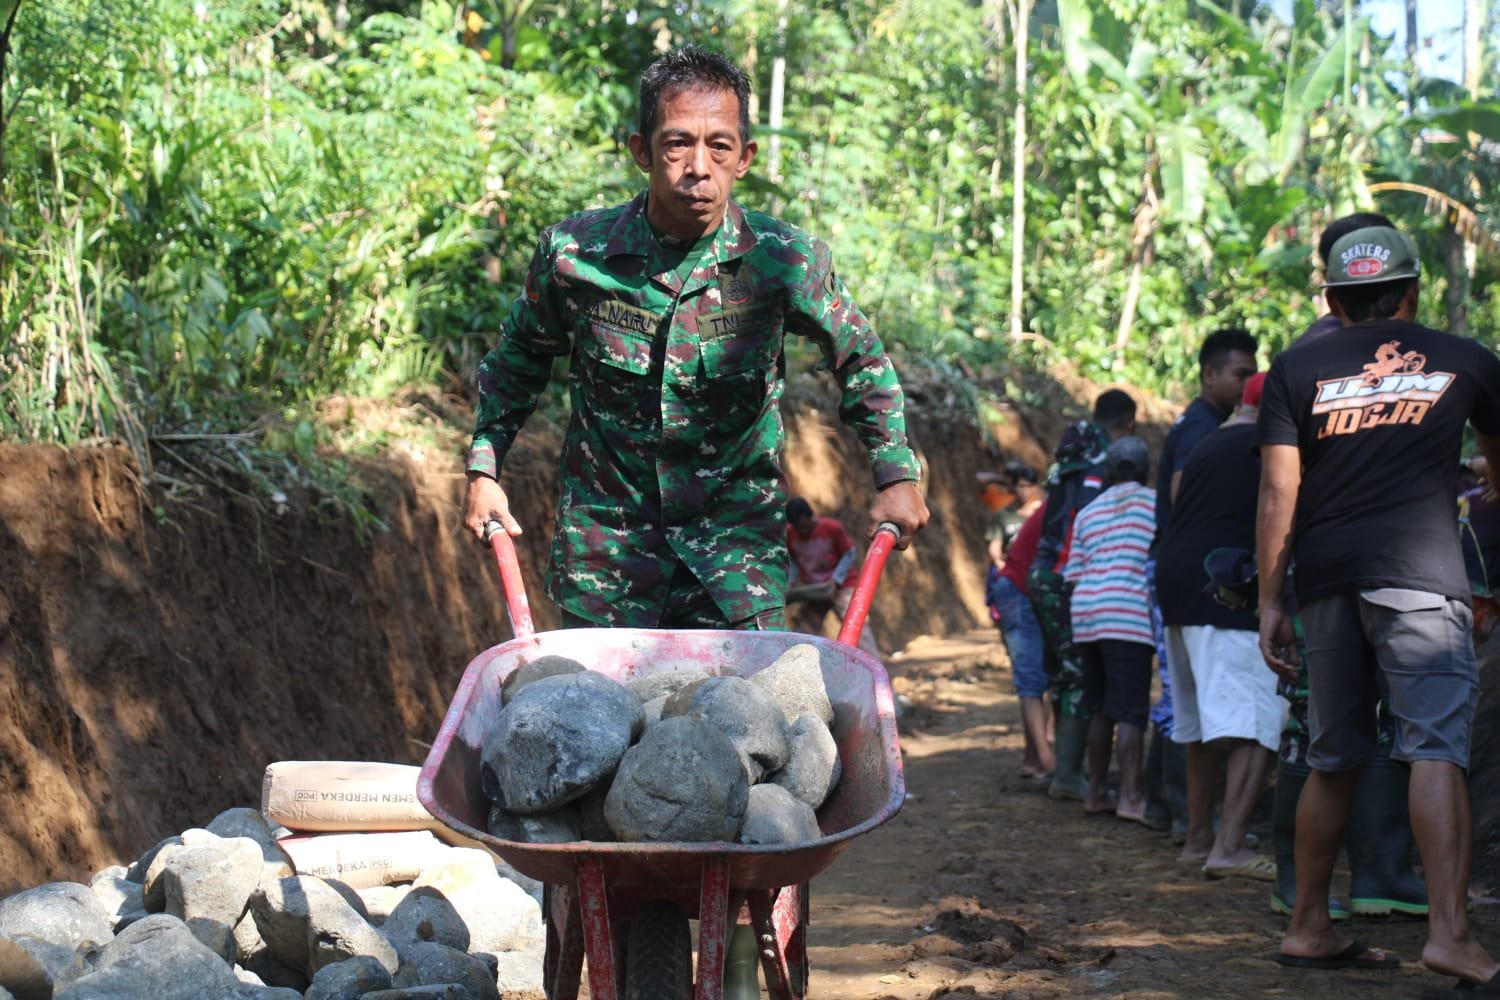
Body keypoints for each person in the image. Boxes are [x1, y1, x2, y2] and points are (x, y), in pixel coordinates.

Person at [461, 46, 928, 628]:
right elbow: (517, 361)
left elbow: (861, 359)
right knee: (588, 718)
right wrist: (484, 472)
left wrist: (898, 478)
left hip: (734, 570)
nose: (698, 167)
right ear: (642, 151)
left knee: (749, 719)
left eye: (719, 146)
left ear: (745, 158)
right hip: (607, 570)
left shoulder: (783, 262)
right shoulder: (577, 256)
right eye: (677, 143)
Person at [1257, 223, 1500, 987]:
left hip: (1325, 583)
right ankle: (1450, 936)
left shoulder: (1295, 368)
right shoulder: (1467, 361)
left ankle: (1306, 927)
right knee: (1434, 748)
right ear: (1414, 291)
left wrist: (1270, 601)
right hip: (1422, 581)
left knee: (1333, 755)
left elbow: (1278, 490)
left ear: (1332, 298)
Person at [1156, 372, 1280, 878]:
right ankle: (1228, 847)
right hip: (1224, 582)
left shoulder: (1206, 442)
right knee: (1257, 720)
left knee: (1199, 723)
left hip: (1178, 582)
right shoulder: (1263, 446)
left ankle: (1198, 837)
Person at [1145, 328, 1258, 839]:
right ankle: (1216, 836)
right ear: (1209, 373)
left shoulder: (1207, 426)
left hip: (1180, 578)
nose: (1245, 381)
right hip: (1213, 579)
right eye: (1239, 372)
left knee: (1189, 712)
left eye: (1250, 374)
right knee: (1242, 719)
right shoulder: (1207, 431)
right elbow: (1185, 494)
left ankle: (1192, 831)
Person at [1029, 389, 1137, 801]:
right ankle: (1069, 776)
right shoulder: (1106, 460)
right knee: (1078, 676)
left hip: (1042, 573)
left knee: (1063, 673)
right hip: (1065, 577)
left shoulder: (1073, 453)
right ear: (1129, 422)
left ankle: (1065, 769)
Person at [1064, 436, 1156, 821]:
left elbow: (1072, 575)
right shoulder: (1156, 505)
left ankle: (1097, 791)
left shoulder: (1088, 512)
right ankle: (1131, 797)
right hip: (1129, 616)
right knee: (1131, 711)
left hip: (1087, 614)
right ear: (1146, 470)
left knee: (1101, 706)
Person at [982, 463, 1053, 781]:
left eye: (1029, 484)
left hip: (1027, 590)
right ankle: (1046, 760)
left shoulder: (1048, 506)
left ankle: (1035, 757)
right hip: (1016, 590)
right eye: (1018, 485)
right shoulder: (1006, 516)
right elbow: (993, 550)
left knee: (1040, 677)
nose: (1024, 490)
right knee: (1032, 679)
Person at [784, 497, 881, 657]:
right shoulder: (790, 534)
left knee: (858, 628)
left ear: (811, 517)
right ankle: (796, 667)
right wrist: (791, 582)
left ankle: (877, 675)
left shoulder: (832, 528)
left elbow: (850, 553)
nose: (803, 531)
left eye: (806, 526)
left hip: (843, 586)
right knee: (804, 632)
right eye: (798, 528)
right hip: (816, 591)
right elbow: (794, 560)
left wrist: (836, 580)